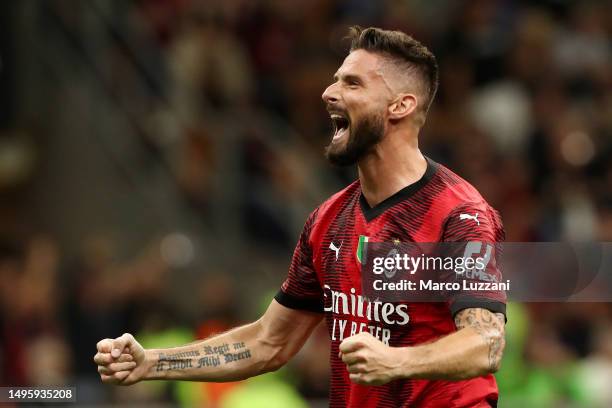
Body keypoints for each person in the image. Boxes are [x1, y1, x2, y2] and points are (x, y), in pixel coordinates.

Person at [95, 26, 506, 407]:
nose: (329, 92)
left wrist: (399, 362)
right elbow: (268, 342)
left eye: (352, 83)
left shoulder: (457, 214)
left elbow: (485, 342)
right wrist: (152, 363)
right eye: (335, 79)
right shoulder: (328, 220)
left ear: (400, 105)